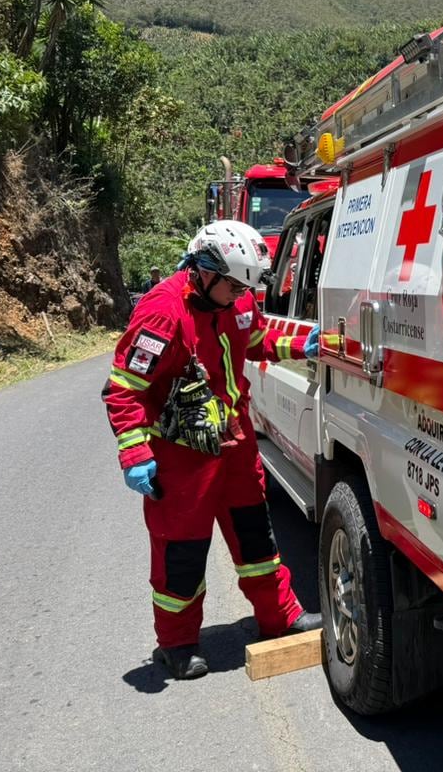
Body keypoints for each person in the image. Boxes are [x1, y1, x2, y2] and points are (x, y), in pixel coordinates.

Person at [103, 220, 324, 679]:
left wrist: (303, 343)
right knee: (182, 552)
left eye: (247, 286)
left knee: (256, 539)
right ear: (203, 271)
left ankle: (280, 616)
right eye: (233, 285)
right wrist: (135, 453)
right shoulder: (162, 313)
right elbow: (124, 389)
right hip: (184, 457)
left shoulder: (237, 296)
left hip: (237, 448)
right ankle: (177, 643)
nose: (242, 295)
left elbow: (259, 339)